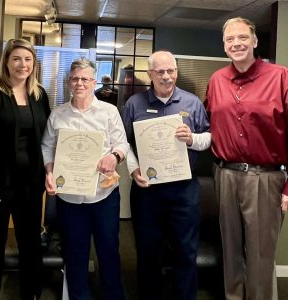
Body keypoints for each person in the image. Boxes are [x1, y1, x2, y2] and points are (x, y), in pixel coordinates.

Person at [205, 17, 288, 300]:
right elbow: (208, 125)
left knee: (260, 257)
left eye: (242, 37)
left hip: (265, 178)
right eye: (230, 39)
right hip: (225, 175)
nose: (236, 43)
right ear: (224, 46)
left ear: (254, 41)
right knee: (230, 252)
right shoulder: (217, 80)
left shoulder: (280, 77)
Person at [122, 50, 211, 300]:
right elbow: (124, 143)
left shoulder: (192, 103)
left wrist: (192, 138)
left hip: (184, 190)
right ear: (150, 74)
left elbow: (208, 138)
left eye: (170, 70)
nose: (166, 76)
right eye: (160, 71)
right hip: (147, 191)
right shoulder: (134, 104)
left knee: (185, 251)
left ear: (176, 72)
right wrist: (132, 168)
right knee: (148, 251)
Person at [41, 58, 129, 300]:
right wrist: (49, 170)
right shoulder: (58, 114)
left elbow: (123, 144)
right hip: (69, 199)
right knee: (75, 254)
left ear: (94, 81)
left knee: (109, 252)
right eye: (75, 78)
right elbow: (47, 147)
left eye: (85, 78)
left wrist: (114, 156)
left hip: (104, 196)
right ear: (69, 82)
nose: (80, 83)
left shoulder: (109, 112)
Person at [0, 38, 50, 300]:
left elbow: (48, 137)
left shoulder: (39, 94)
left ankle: (31, 294)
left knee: (30, 244)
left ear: (33, 63)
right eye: (16, 58)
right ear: (6, 62)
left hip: (30, 184)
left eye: (27, 59)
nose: (22, 64)